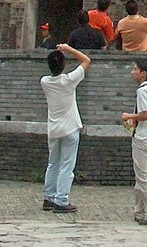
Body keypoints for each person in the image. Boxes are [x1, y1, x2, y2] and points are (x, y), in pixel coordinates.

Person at [40, 43, 91, 213]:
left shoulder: (45, 82)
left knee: (52, 163)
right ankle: (61, 200)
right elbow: (86, 60)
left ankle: (48, 197)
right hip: (69, 128)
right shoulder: (69, 81)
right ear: (63, 66)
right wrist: (68, 49)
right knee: (66, 166)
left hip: (53, 129)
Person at [120, 58, 147, 225]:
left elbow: (145, 114)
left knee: (144, 177)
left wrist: (129, 116)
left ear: (143, 73)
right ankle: (139, 211)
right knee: (142, 176)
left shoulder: (142, 91)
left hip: (142, 138)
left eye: (135, 69)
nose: (132, 72)